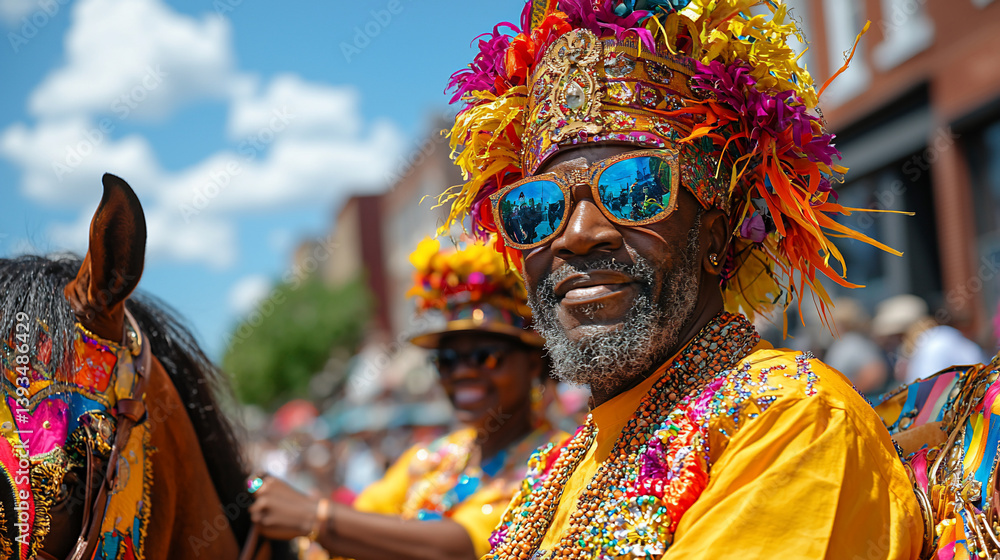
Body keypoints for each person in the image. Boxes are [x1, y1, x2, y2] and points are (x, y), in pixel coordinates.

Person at [435, 1, 990, 557]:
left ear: (716, 239)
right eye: (536, 208)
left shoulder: (792, 420)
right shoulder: (564, 465)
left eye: (634, 188)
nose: (577, 234)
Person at [249, 237, 567, 560]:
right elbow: (366, 515)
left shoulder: (560, 459)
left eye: (485, 356)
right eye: (447, 360)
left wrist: (313, 516)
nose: (461, 372)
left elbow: (460, 548)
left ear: (532, 363)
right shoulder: (430, 458)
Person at [872, 294, 985, 385]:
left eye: (896, 337)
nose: (893, 344)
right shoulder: (934, 340)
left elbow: (926, 396)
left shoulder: (934, 345)